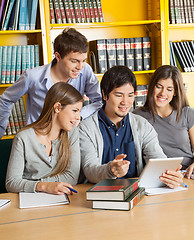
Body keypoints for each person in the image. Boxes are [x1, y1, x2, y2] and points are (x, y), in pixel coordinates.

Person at [79, 65, 183, 188]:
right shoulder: (85, 128)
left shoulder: (142, 125)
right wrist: (110, 170)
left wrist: (170, 175)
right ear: (105, 95)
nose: (125, 102)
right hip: (99, 193)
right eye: (119, 95)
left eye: (130, 95)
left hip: (136, 193)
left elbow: (157, 159)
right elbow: (89, 170)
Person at [0, 27, 102, 139]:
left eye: (83, 60)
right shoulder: (32, 77)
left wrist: (79, 115)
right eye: (74, 61)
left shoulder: (85, 70)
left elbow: (100, 101)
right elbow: (6, 100)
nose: (80, 66)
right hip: (38, 140)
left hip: (70, 138)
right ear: (58, 56)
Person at [6, 82, 83, 194]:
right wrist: (45, 186)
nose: (78, 117)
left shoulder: (72, 133)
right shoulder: (23, 138)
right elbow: (12, 183)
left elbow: (72, 177)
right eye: (75, 111)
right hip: (28, 203)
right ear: (57, 108)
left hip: (61, 200)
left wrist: (34, 184)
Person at [133, 65, 194, 179]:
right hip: (156, 176)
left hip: (187, 175)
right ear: (151, 87)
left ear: (175, 92)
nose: (163, 93)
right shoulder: (137, 116)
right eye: (159, 86)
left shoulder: (188, 113)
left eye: (169, 89)